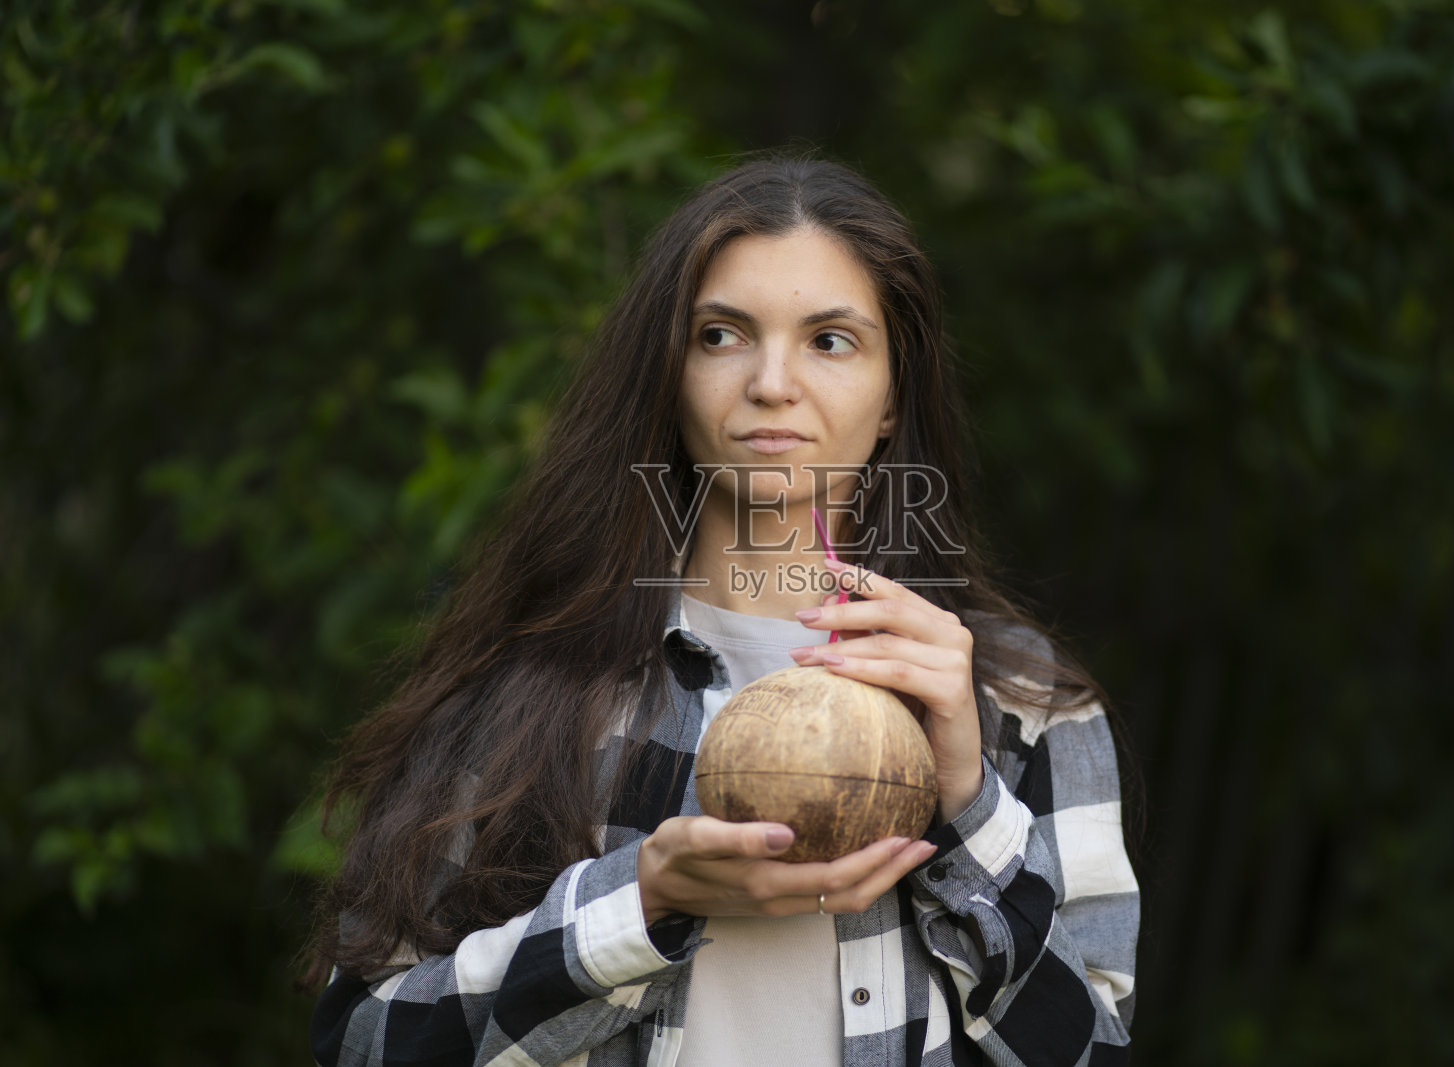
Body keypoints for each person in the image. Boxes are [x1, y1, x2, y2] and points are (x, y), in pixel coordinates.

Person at [304, 156, 1139, 1066]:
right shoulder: (532, 682)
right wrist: (642, 904)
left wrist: (972, 810)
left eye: (830, 340)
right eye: (721, 334)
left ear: (894, 393)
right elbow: (366, 1039)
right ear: (669, 371)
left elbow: (1093, 1050)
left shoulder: (1021, 699)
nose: (772, 383)